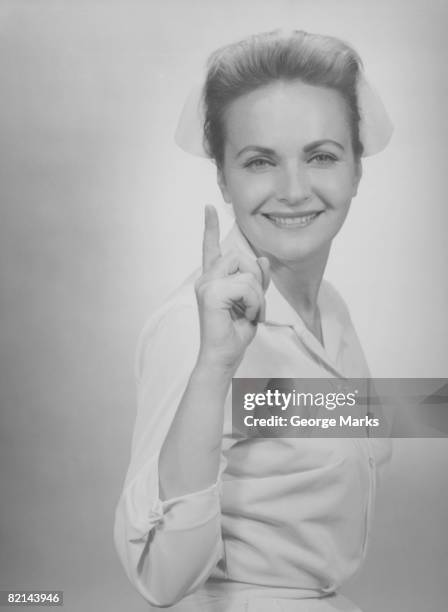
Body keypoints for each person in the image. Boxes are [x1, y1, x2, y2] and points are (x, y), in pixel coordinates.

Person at [114, 30, 393, 611]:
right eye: (260, 161)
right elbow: (160, 577)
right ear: (223, 178)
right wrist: (214, 369)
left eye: (321, 155)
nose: (294, 191)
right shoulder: (194, 331)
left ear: (357, 169)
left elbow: (318, 416)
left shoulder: (329, 306)